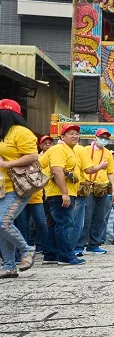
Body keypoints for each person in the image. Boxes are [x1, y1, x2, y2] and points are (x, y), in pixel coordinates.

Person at [0, 99, 39, 278]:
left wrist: (8, 164)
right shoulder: (2, 132)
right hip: (2, 187)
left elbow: (32, 156)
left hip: (17, 187)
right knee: (2, 226)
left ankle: (26, 249)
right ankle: (8, 266)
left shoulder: (21, 132)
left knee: (3, 222)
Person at [39, 123, 84, 266]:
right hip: (60, 193)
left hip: (58, 192)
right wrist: (65, 193)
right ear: (62, 137)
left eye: (77, 134)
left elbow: (41, 163)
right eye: (71, 133)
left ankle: (51, 254)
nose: (75, 136)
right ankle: (65, 256)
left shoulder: (68, 150)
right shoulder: (59, 149)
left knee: (55, 224)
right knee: (65, 223)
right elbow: (57, 170)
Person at [75, 129, 114, 254]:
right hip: (88, 186)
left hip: (102, 187)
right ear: (95, 137)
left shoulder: (108, 153)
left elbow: (111, 172)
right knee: (86, 217)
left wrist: (113, 189)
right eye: (101, 137)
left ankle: (94, 244)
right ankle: (79, 246)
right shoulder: (86, 150)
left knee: (99, 217)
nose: (103, 140)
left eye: (106, 138)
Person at [14, 135, 53, 253]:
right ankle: (24, 251)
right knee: (22, 226)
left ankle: (48, 251)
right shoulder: (15, 159)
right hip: (20, 197)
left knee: (41, 224)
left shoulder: (39, 158)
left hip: (36, 198)